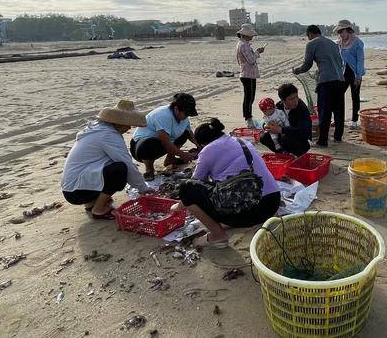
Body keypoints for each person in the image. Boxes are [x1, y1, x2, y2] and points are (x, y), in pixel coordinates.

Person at [174, 118, 281, 248]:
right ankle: (230, 222)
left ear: (203, 143)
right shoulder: (243, 142)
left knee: (186, 189)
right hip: (271, 204)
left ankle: (217, 236)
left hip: (249, 212)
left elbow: (195, 183)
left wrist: (178, 206)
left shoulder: (207, 151)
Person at [61, 100, 155, 219]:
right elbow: (127, 163)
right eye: (127, 125)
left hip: (71, 187)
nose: (128, 128)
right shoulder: (108, 135)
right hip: (76, 192)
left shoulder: (97, 128)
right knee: (120, 169)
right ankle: (98, 209)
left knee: (111, 164)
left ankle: (91, 202)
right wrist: (143, 188)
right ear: (119, 123)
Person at [292, 25, 345, 146]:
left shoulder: (311, 44)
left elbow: (307, 65)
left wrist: (297, 70)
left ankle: (323, 140)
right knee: (338, 110)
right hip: (340, 80)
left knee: (324, 112)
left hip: (326, 81)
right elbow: (340, 63)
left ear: (310, 34)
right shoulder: (333, 44)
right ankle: (338, 136)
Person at [130, 93, 199, 181]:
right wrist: (184, 155)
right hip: (140, 147)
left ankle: (170, 159)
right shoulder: (163, 115)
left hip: (162, 143)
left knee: (184, 133)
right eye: (186, 114)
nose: (187, 116)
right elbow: (165, 142)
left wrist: (199, 145)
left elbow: (189, 132)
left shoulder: (183, 118)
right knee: (149, 144)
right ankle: (149, 169)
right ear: (176, 109)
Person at [260, 83, 312, 156]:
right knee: (263, 137)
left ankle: (296, 155)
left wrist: (281, 130)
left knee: (285, 138)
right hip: (283, 136)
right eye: (291, 99)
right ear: (283, 100)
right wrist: (266, 126)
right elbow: (267, 118)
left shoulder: (301, 108)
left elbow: (303, 132)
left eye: (296, 97)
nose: (295, 101)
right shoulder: (278, 107)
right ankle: (283, 154)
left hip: (303, 141)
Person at [336, 20, 365, 130]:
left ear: (348, 30)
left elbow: (360, 59)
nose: (340, 34)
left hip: (355, 73)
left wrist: (359, 75)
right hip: (342, 73)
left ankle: (354, 121)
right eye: (339, 32)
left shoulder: (358, 42)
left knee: (355, 96)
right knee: (338, 95)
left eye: (342, 32)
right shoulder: (339, 42)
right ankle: (339, 119)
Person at [236, 23, 265, 128]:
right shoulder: (243, 45)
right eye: (251, 35)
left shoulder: (243, 44)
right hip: (247, 75)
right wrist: (258, 52)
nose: (252, 36)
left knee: (250, 97)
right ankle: (248, 118)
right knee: (249, 98)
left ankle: (248, 117)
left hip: (248, 74)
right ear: (245, 34)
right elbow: (251, 60)